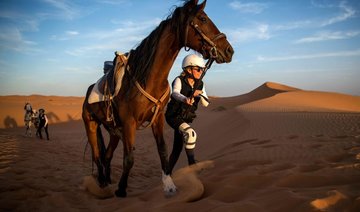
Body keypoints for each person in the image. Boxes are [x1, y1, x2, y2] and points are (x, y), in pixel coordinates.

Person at [165, 54, 210, 174]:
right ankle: (192, 166)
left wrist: (200, 94)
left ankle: (166, 174)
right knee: (190, 134)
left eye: (202, 69)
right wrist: (185, 99)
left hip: (185, 117)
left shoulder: (200, 84)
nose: (201, 71)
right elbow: (174, 93)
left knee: (177, 149)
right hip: (174, 115)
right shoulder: (179, 80)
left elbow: (206, 103)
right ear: (189, 69)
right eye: (198, 69)